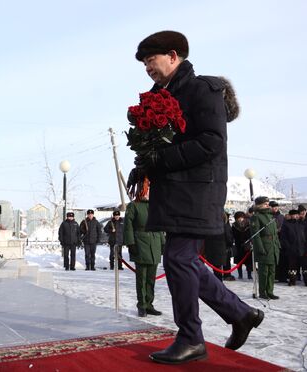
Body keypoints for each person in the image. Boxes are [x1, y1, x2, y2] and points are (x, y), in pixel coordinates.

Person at [131, 30, 263, 364]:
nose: (148, 67)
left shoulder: (203, 89)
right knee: (182, 261)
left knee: (177, 259)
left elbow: (212, 141)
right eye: (145, 63)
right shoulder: (158, 95)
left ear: (173, 56)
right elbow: (157, 144)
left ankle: (191, 337)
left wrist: (163, 159)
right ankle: (239, 313)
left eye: (152, 60)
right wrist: (143, 164)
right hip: (173, 191)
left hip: (198, 190)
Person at [123, 179, 164, 317]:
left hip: (155, 244)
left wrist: (163, 244)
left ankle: (149, 304)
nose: (148, 192)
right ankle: (141, 305)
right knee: (142, 278)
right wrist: (131, 243)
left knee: (151, 279)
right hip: (140, 244)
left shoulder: (155, 206)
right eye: (146, 189)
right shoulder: (133, 206)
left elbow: (160, 226)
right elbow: (127, 226)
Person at [250, 196, 280, 299]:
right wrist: (260, 248)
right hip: (265, 247)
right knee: (264, 272)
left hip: (273, 247)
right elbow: (256, 236)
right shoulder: (256, 217)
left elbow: (275, 233)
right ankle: (263, 292)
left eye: (267, 203)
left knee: (272, 271)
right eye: (265, 203)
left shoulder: (271, 216)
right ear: (259, 205)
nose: (267, 204)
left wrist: (278, 245)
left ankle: (270, 291)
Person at [203, 213, 232, 282]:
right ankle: (219, 283)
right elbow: (228, 238)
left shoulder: (209, 226)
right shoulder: (224, 226)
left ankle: (217, 282)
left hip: (210, 248)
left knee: (216, 268)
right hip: (221, 249)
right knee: (218, 268)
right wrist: (229, 245)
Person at [280, 209, 305, 286]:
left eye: (297, 214)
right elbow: (283, 238)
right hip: (291, 250)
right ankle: (292, 281)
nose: (295, 216)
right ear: (290, 216)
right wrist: (288, 247)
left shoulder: (302, 224)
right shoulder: (286, 225)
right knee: (292, 267)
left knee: (305, 267)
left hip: (302, 249)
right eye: (294, 215)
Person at [231, 211, 253, 280]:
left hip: (247, 245)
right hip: (238, 245)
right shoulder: (234, 225)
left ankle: (249, 274)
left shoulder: (248, 224)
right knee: (239, 261)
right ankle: (240, 274)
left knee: (248, 262)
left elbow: (251, 234)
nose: (240, 219)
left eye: (241, 218)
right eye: (238, 218)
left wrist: (249, 241)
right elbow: (233, 235)